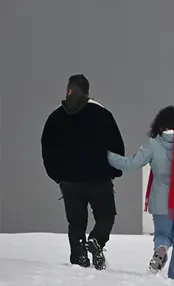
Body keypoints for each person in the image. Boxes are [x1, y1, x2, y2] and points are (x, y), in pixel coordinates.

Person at [107, 106, 174, 281]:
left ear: (159, 124)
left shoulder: (153, 144)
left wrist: (108, 156)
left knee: (163, 234)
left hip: (161, 201)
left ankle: (161, 249)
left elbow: (131, 163)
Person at [41, 74, 125, 270]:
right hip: (99, 180)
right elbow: (116, 147)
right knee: (106, 215)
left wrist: (57, 175)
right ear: (87, 91)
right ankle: (96, 241)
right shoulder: (102, 114)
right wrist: (113, 171)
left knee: (76, 223)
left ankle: (79, 259)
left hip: (69, 182)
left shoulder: (55, 117)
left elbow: (47, 149)